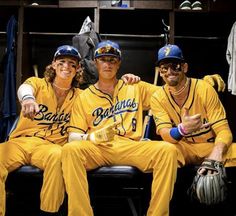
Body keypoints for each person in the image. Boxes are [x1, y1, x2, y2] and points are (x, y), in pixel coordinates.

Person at [60, 40, 226, 216]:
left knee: (167, 151)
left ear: (119, 64)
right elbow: (73, 137)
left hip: (133, 147)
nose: (108, 64)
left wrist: (202, 84)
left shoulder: (136, 87)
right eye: (103, 59)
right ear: (95, 62)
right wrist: (92, 138)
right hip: (98, 148)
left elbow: (172, 89)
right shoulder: (84, 97)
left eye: (112, 60)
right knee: (70, 150)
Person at [0, 43, 141, 216]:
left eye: (72, 63)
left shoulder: (81, 96)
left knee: (59, 156)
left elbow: (102, 105)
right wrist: (28, 99)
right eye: (62, 61)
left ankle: (49, 212)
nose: (66, 66)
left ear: (77, 69)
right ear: (53, 64)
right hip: (21, 142)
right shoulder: (37, 83)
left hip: (51, 147)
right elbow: (24, 88)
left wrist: (127, 79)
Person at [150, 44, 236, 172]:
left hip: (210, 146)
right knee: (163, 151)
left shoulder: (204, 88)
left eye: (175, 66)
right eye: (164, 68)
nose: (169, 72)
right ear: (160, 72)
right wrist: (182, 130)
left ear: (184, 67)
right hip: (185, 149)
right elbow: (165, 134)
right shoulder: (157, 97)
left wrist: (216, 154)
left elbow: (223, 130)